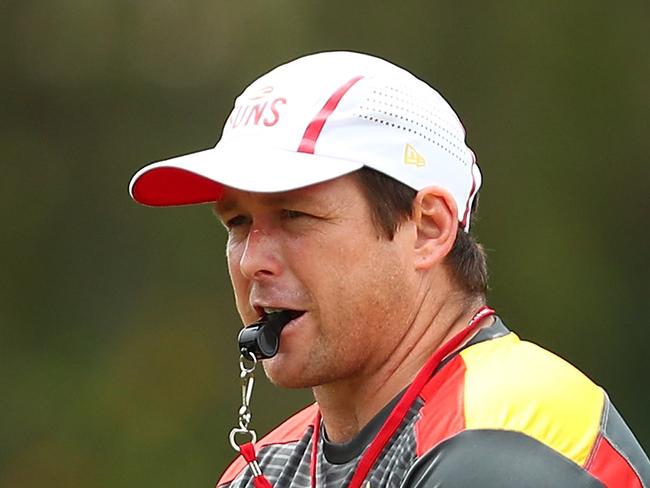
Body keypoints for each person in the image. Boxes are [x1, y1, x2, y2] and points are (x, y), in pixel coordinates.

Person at [129, 51, 649, 487]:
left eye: (294, 215)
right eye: (238, 223)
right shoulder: (266, 466)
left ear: (427, 229)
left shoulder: (503, 438)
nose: (251, 261)